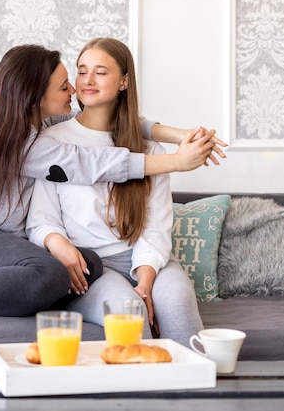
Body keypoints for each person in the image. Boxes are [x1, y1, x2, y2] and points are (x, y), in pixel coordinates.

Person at [0, 44, 225, 322]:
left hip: (3, 249)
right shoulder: (23, 145)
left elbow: (114, 120)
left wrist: (174, 133)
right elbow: (88, 162)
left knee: (87, 264)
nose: (74, 91)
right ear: (36, 95)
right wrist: (175, 161)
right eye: (66, 85)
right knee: (51, 271)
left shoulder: (38, 125)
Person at [25, 37, 203, 347]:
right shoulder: (51, 142)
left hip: (148, 260)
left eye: (100, 72)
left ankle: (195, 389)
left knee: (176, 303)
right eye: (81, 71)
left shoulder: (150, 150)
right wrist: (61, 247)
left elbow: (156, 229)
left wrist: (145, 282)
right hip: (90, 267)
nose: (87, 80)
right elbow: (41, 221)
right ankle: (143, 392)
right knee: (128, 313)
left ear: (123, 82)